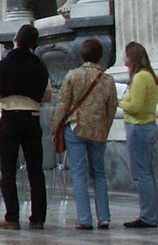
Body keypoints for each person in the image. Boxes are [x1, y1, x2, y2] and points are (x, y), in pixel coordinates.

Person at [51, 37, 118, 229]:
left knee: (79, 173)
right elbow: (112, 107)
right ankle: (104, 217)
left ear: (82, 55)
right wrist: (105, 126)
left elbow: (63, 104)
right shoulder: (107, 79)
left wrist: (55, 127)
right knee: (99, 173)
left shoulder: (73, 76)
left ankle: (84, 218)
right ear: (101, 55)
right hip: (98, 129)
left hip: (76, 127)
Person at [0, 23, 52, 229]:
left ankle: (12, 216)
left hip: (9, 118)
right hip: (32, 118)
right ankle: (38, 218)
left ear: (16, 40)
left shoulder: (2, 66)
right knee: (35, 170)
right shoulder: (39, 66)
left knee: (8, 170)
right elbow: (47, 95)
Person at [120, 40, 158, 228]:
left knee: (143, 174)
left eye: (126, 54)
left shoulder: (140, 77)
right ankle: (149, 214)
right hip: (145, 126)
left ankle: (148, 216)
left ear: (132, 56)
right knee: (146, 173)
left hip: (140, 127)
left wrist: (117, 102)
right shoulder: (145, 76)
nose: (123, 57)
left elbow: (135, 107)